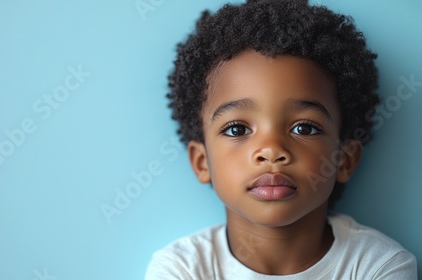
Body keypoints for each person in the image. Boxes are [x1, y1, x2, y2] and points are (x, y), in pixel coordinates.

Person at [144, 0, 418, 279]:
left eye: (304, 129)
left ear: (344, 159)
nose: (272, 151)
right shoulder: (181, 269)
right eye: (237, 130)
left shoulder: (380, 266)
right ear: (202, 162)